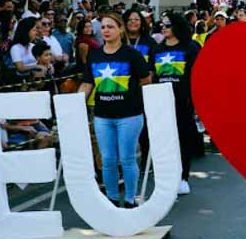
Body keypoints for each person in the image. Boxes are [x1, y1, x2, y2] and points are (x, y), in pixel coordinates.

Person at [78, 12, 151, 208]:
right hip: (103, 116)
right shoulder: (95, 56)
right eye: (103, 27)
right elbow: (87, 84)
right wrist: (74, 105)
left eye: (110, 26)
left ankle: (129, 199)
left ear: (120, 29)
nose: (106, 30)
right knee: (108, 159)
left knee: (127, 158)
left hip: (130, 115)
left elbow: (145, 81)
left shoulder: (132, 55)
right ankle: (110, 199)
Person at [151, 13, 199, 196]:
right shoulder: (156, 49)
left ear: (177, 26)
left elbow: (198, 75)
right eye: (161, 25)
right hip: (161, 102)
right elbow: (153, 76)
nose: (163, 28)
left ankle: (183, 177)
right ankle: (168, 178)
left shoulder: (191, 47)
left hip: (184, 101)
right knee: (165, 141)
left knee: (183, 140)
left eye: (167, 25)